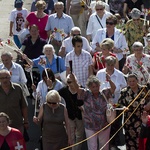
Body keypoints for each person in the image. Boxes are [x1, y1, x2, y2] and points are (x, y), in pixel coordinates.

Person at [70, 74, 116, 150]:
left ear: (99, 86)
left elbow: (113, 88)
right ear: (89, 87)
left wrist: (109, 80)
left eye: (97, 86)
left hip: (104, 125)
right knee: (92, 147)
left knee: (104, 147)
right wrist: (73, 80)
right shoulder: (86, 94)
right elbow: (77, 89)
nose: (95, 88)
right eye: (93, 87)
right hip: (90, 126)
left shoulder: (104, 93)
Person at [117, 73, 149, 149]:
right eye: (130, 81)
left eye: (133, 81)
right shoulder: (124, 92)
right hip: (129, 121)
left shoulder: (144, 89)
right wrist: (123, 107)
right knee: (129, 140)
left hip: (142, 119)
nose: (132, 83)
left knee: (142, 139)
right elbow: (119, 104)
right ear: (127, 82)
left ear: (137, 81)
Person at [58, 74, 84, 150]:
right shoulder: (63, 91)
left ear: (76, 81)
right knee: (71, 135)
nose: (71, 84)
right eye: (69, 82)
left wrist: (84, 107)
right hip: (69, 116)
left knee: (80, 135)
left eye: (72, 82)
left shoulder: (82, 90)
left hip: (80, 115)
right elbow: (54, 95)